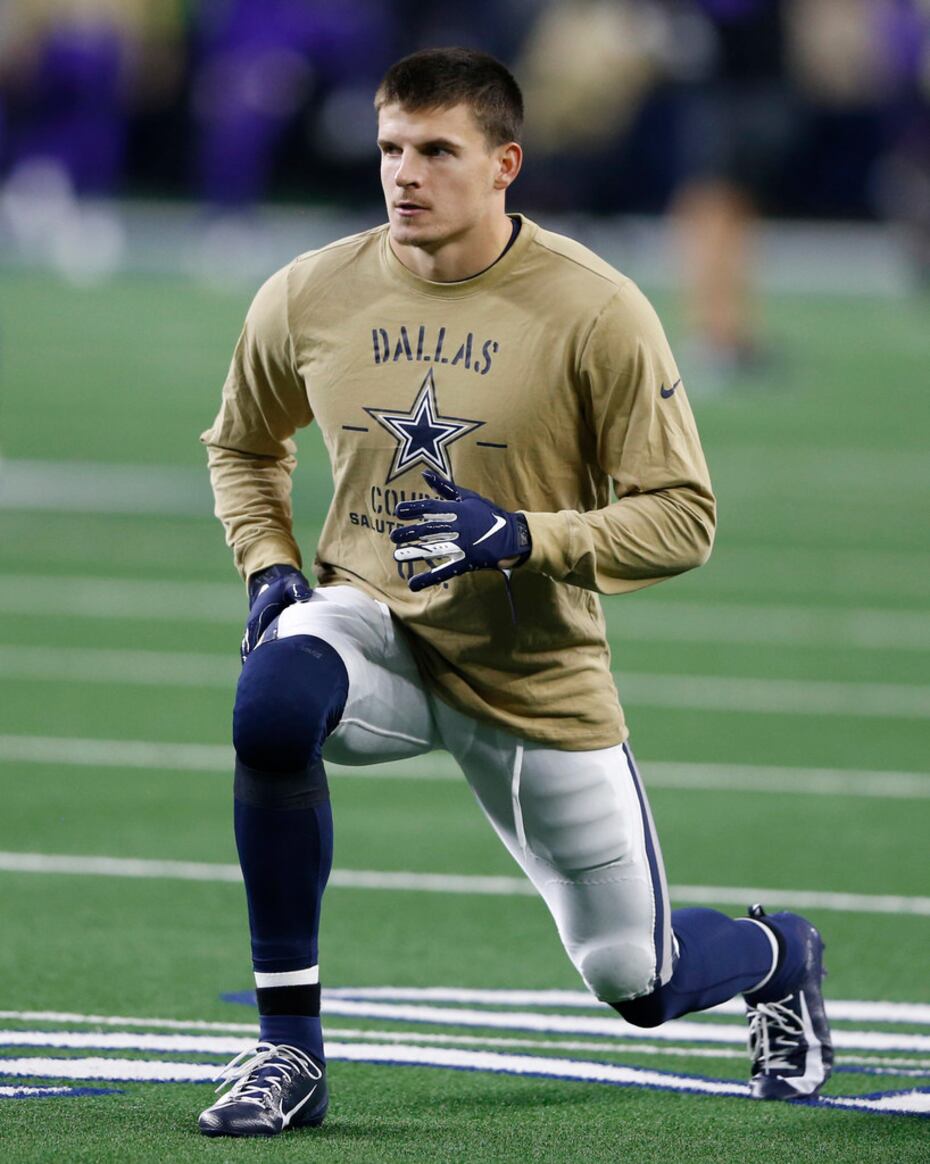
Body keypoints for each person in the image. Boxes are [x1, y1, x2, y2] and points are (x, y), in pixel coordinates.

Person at [198, 47, 832, 1138]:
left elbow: (684, 516)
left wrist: (526, 537)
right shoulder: (312, 290)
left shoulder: (595, 309)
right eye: (392, 147)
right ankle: (287, 1053)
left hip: (534, 674)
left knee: (637, 978)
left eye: (437, 150)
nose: (405, 173)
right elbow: (243, 445)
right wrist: (269, 564)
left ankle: (782, 956)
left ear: (505, 164)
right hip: (380, 628)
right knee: (272, 701)